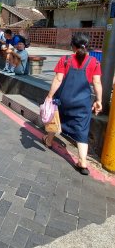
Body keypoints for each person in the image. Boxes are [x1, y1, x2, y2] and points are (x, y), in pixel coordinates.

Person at [43, 32, 102, 175]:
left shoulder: (65, 60)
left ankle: (49, 141)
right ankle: (82, 162)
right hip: (82, 102)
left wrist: (49, 96)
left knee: (54, 118)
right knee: (82, 130)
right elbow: (97, 82)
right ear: (87, 46)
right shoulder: (94, 62)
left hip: (63, 99)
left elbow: (58, 79)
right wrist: (99, 100)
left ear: (72, 46)